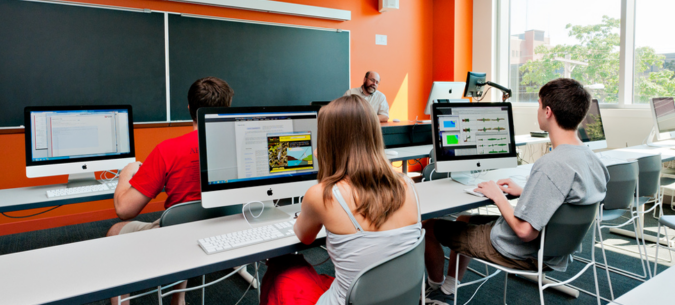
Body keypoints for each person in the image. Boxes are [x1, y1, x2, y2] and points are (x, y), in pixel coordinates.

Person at [423, 78, 610, 302]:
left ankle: (434, 291)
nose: (538, 110)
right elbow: (569, 200)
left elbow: (524, 232)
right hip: (556, 250)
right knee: (464, 218)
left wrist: (497, 196)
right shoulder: (592, 159)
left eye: (539, 105)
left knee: (429, 226)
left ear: (548, 111)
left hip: (519, 250)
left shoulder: (551, 164)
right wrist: (525, 191)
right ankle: (448, 288)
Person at [259, 95, 421, 305]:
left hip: (349, 301)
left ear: (329, 142)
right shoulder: (408, 185)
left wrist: (326, 170)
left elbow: (303, 236)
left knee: (282, 266)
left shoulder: (321, 195)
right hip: (393, 298)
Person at [106, 76, 234, 305]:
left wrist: (127, 173)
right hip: (225, 231)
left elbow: (124, 210)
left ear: (189, 108)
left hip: (177, 239)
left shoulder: (167, 150)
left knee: (116, 231)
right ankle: (179, 298)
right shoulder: (240, 145)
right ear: (227, 109)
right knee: (188, 219)